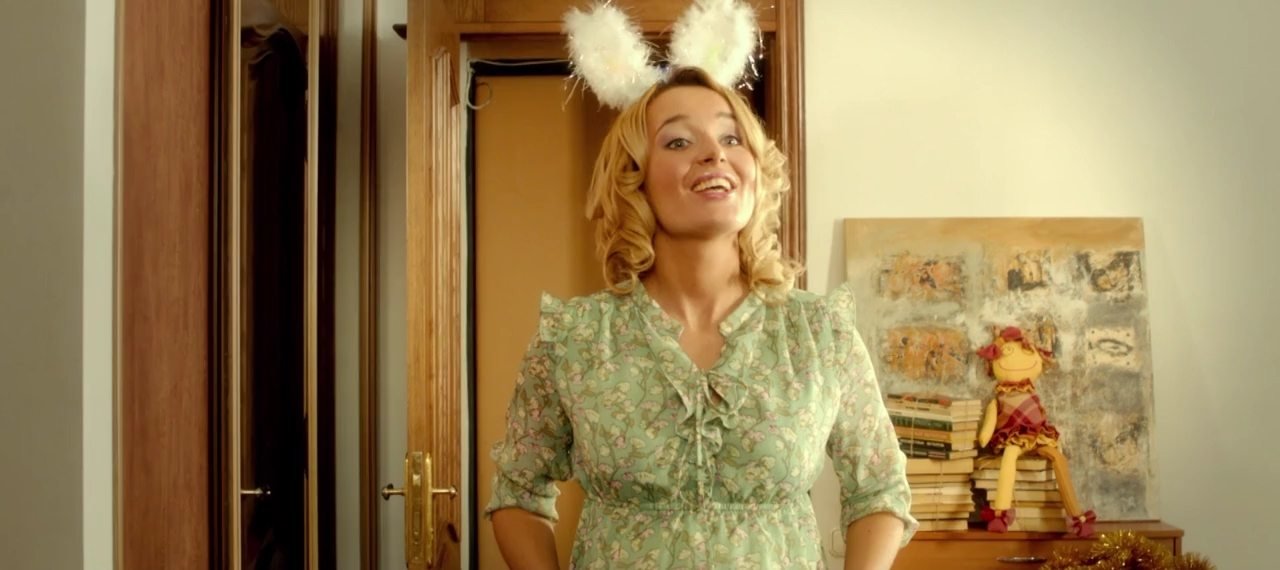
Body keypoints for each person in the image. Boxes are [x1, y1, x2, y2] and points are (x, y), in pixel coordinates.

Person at [483, 63, 917, 569]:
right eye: (678, 142)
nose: (715, 153)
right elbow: (518, 491)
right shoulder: (574, 339)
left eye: (731, 138)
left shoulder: (820, 333)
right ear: (635, 178)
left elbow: (879, 490)